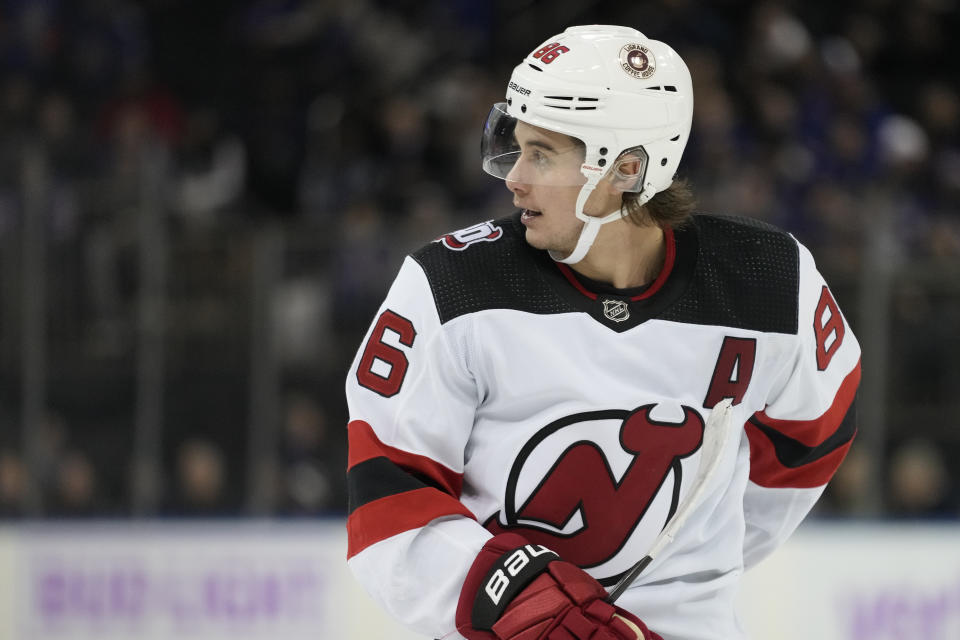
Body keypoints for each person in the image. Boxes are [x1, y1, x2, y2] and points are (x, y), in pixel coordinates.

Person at [345, 25, 861, 640]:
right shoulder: (450, 286)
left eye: (543, 154)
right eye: (517, 146)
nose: (514, 178)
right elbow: (388, 502)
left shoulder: (770, 280)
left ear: (627, 168)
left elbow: (814, 436)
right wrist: (534, 612)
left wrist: (697, 563)